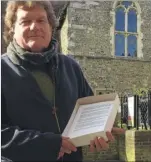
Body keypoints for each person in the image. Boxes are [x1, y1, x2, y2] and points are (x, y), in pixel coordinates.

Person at [1, 1, 124, 161]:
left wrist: (100, 130)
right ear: (12, 30)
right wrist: (49, 144)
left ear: (51, 26)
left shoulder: (70, 66)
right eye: (25, 21)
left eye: (41, 20)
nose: (34, 27)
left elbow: (89, 111)